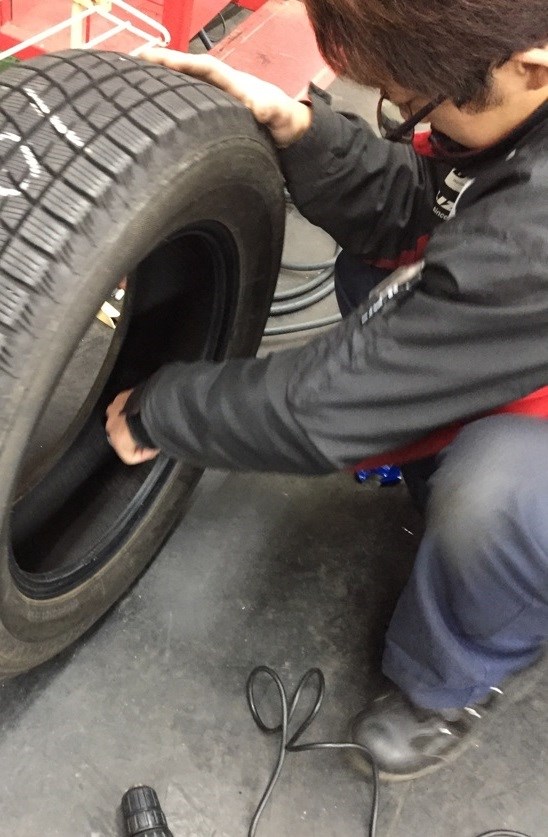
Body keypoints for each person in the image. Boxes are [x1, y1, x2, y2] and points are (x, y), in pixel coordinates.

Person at [106, 0, 548, 780]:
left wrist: (160, 408)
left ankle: (459, 673)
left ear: (529, 68)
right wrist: (304, 131)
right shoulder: (516, 95)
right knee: (384, 264)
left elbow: (325, 406)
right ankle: (443, 469)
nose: (405, 115)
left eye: (414, 102)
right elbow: (439, 197)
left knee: (498, 492)